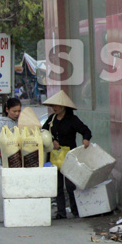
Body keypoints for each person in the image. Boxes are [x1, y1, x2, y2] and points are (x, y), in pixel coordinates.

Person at [41, 90, 91, 219]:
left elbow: (85, 130)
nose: (54, 108)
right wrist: (52, 141)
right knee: (57, 185)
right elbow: (43, 133)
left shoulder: (72, 120)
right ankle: (61, 212)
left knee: (70, 185)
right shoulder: (51, 119)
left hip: (69, 156)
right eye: (53, 106)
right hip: (55, 155)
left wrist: (86, 139)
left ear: (63, 107)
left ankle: (75, 210)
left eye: (56, 106)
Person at [0, 98, 22, 163]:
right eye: (14, 111)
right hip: (7, 158)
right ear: (7, 110)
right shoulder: (1, 124)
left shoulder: (21, 123)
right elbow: (0, 141)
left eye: (19, 111)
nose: (17, 114)